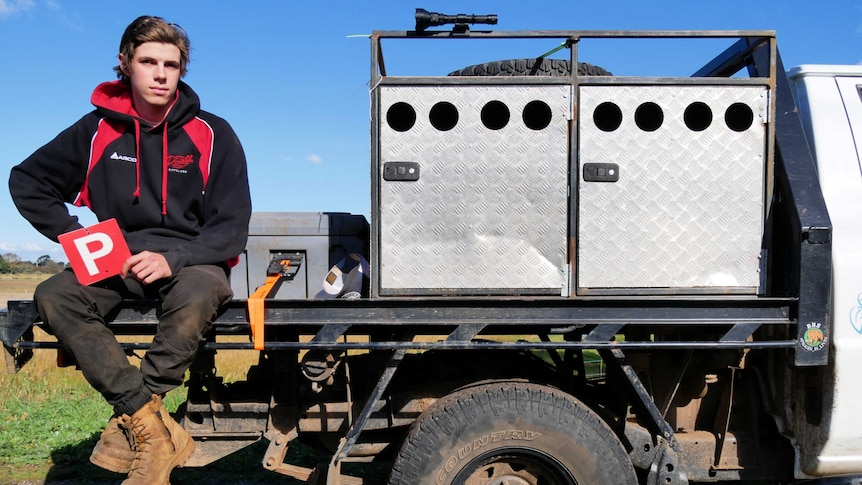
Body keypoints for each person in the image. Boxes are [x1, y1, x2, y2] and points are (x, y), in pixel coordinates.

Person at [8, 15, 252, 484]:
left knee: (196, 295)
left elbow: (230, 227)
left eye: (172, 64)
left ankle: (140, 416)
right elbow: (28, 179)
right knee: (55, 294)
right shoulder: (97, 129)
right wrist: (79, 238)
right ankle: (151, 424)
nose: (161, 74)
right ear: (125, 64)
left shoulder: (214, 133)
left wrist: (174, 258)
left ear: (182, 70)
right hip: (118, 255)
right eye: (148, 61)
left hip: (193, 259)